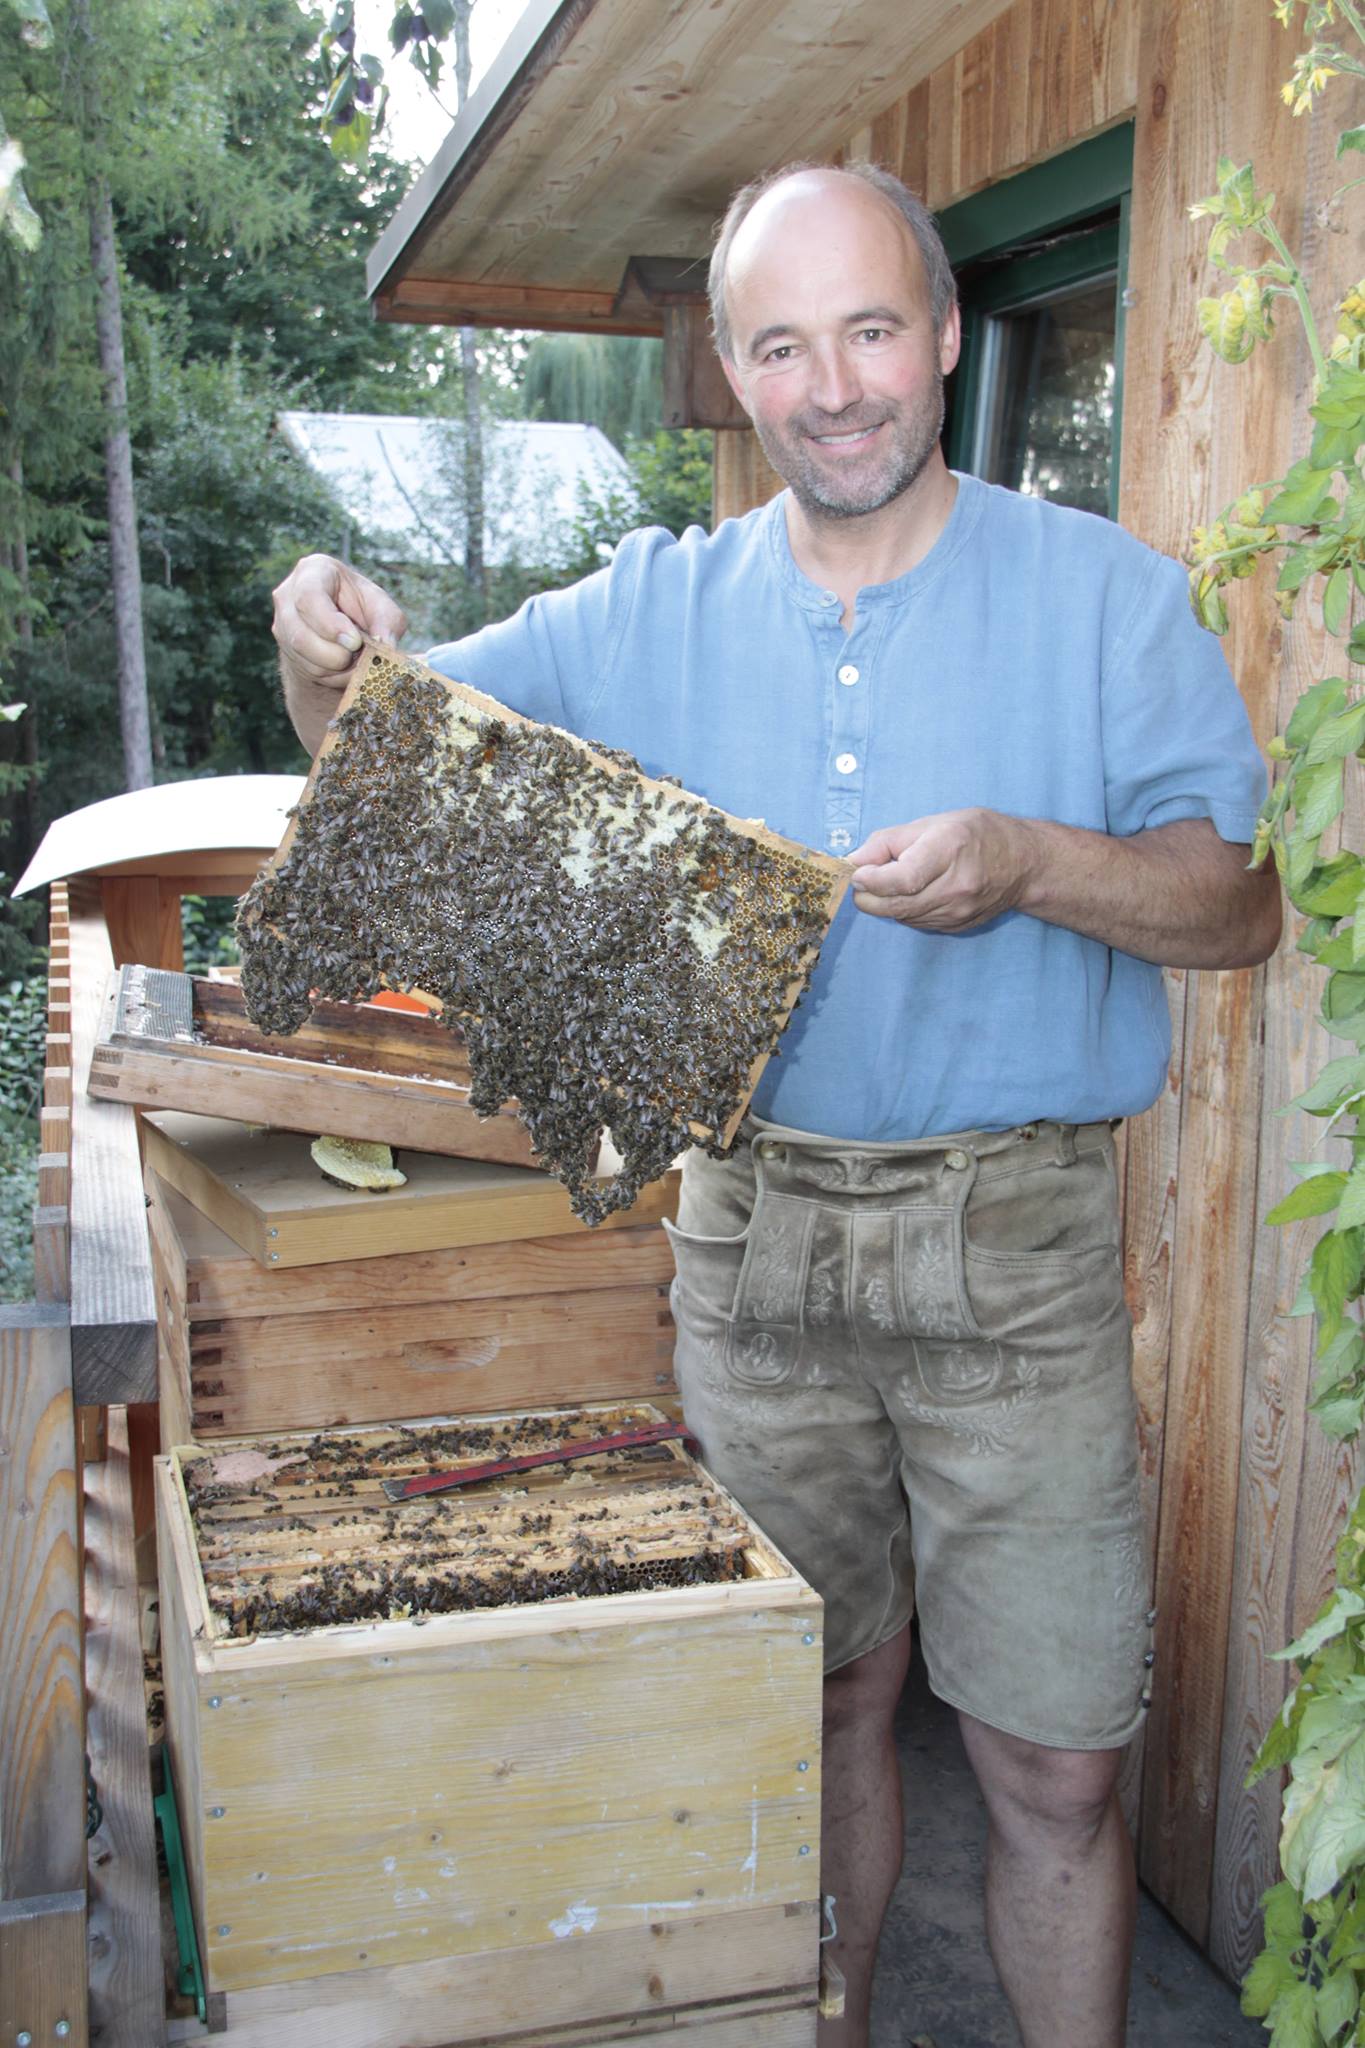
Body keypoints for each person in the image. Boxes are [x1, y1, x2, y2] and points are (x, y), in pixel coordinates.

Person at [272, 162, 1280, 2048]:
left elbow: (1233, 904)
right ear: (733, 372)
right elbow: (375, 741)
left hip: (1018, 1256)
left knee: (1052, 1772)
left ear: (951, 335)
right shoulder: (647, 608)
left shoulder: (1107, 598)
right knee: (814, 1707)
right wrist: (312, 633)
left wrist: (1027, 862)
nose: (833, 387)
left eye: (872, 330)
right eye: (783, 345)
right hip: (748, 1247)